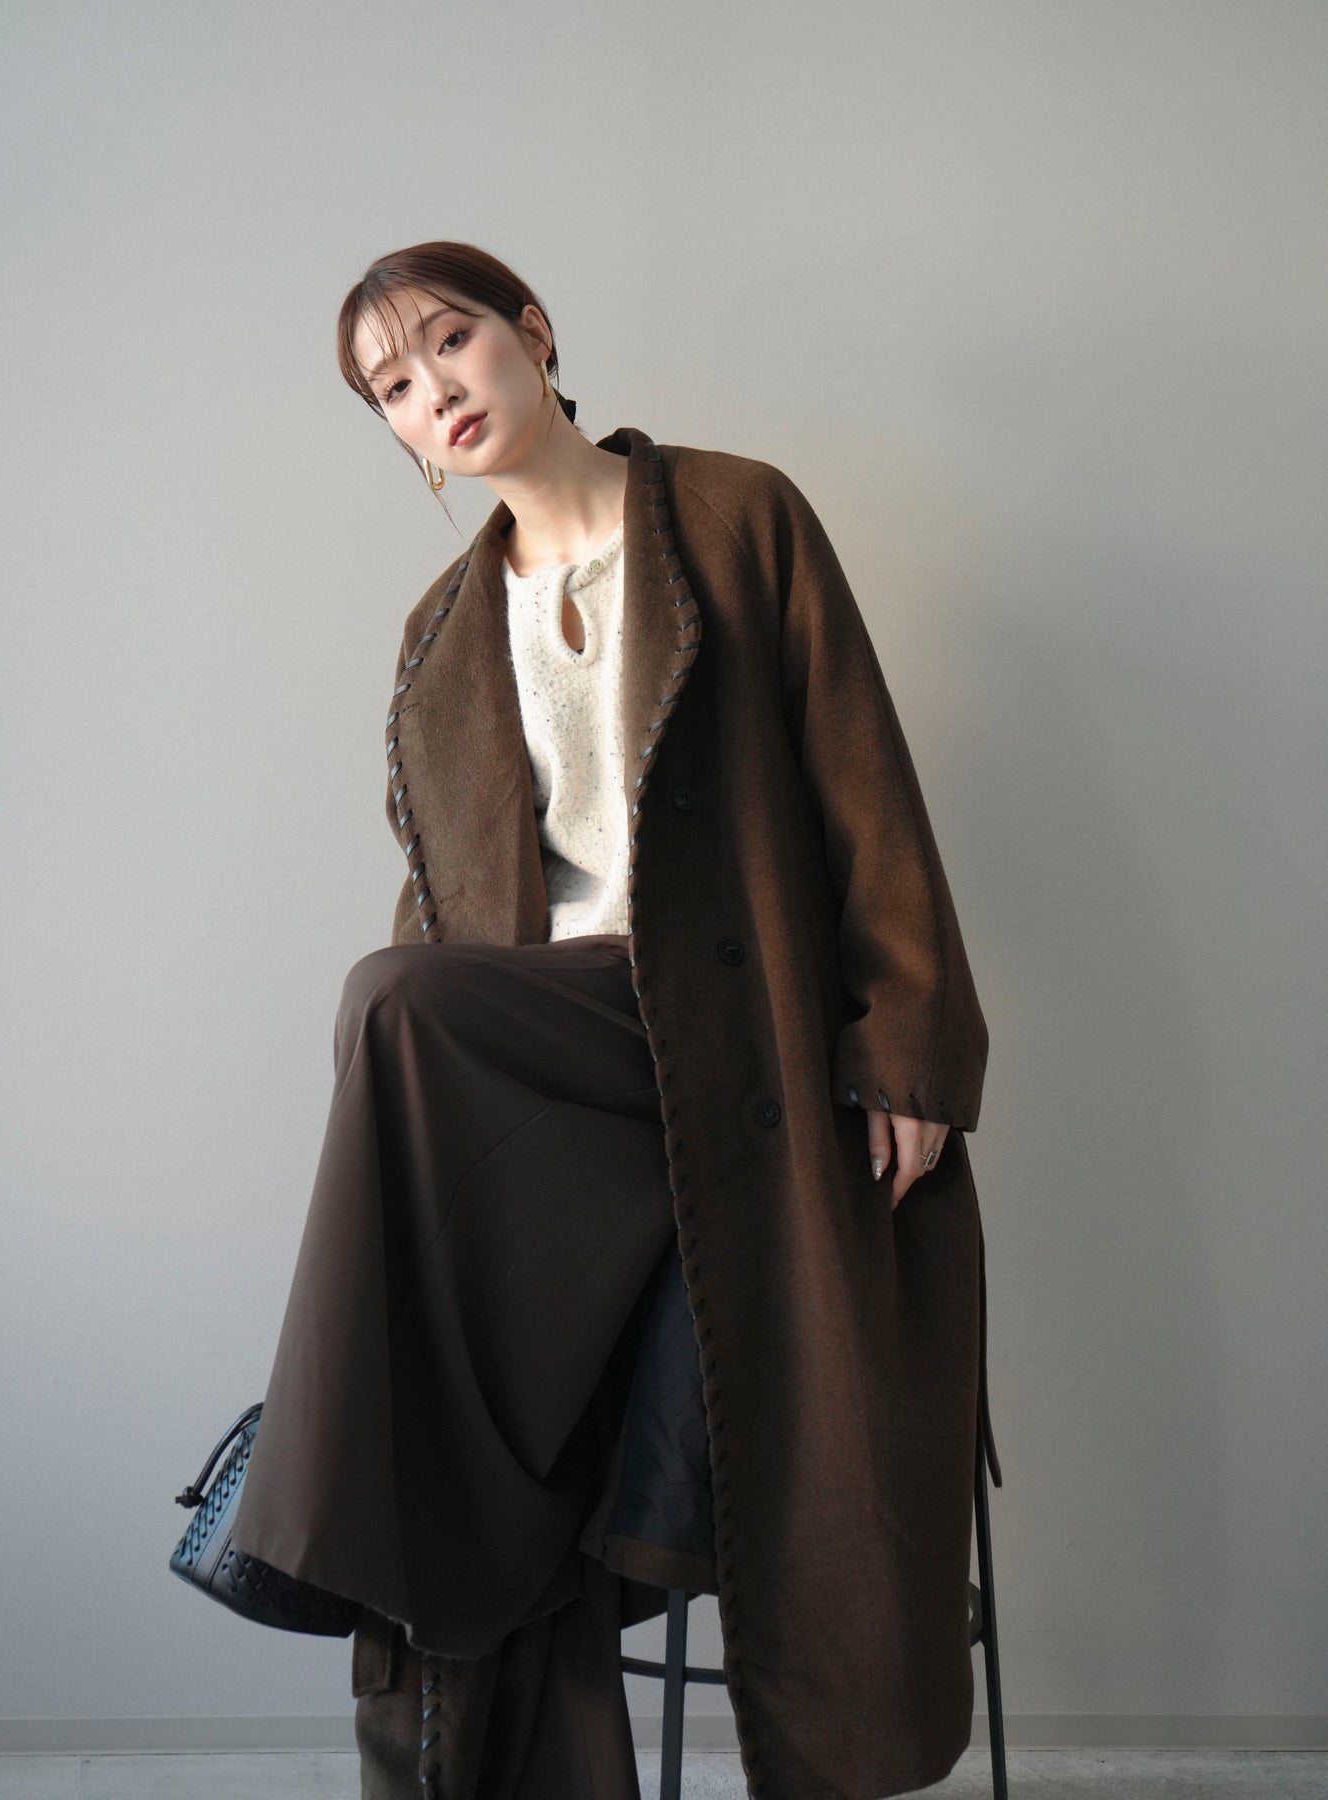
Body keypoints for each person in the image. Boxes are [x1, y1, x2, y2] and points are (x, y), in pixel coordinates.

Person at [228, 240, 998, 1800]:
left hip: (743, 1033)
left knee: (389, 1004)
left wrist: (908, 1043)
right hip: (563, 1079)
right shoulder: (440, 637)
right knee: (400, 1005)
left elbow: (863, 784)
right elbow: (443, 918)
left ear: (532, 331)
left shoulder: (732, 515)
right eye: (392, 388)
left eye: (450, 342)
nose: (433, 392)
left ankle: (301, 1523)